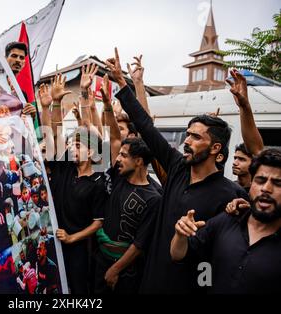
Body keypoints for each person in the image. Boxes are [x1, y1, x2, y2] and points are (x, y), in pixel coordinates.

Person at [105, 48, 248, 293]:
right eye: (187, 135)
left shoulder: (230, 195)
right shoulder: (178, 168)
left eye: (195, 137)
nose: (186, 141)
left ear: (215, 148)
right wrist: (122, 82)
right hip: (150, 280)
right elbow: (146, 127)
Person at [171, 149, 281, 294]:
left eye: (278, 183)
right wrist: (181, 234)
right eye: (260, 181)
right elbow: (178, 255)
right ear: (251, 183)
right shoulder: (227, 220)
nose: (266, 189)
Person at [38, 70, 108, 294]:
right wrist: (55, 103)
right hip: (50, 241)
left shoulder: (98, 181)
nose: (71, 148)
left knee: (75, 288)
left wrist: (72, 237)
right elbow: (55, 134)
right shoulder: (65, 168)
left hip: (77, 248)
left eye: (78, 145)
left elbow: (98, 222)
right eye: (72, 145)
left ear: (93, 152)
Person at [95, 75, 161, 294]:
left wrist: (115, 269)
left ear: (139, 161)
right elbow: (115, 137)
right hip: (100, 260)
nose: (118, 159)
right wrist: (105, 104)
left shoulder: (154, 198)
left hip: (126, 272)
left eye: (124, 155)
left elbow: (139, 244)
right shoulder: (117, 177)